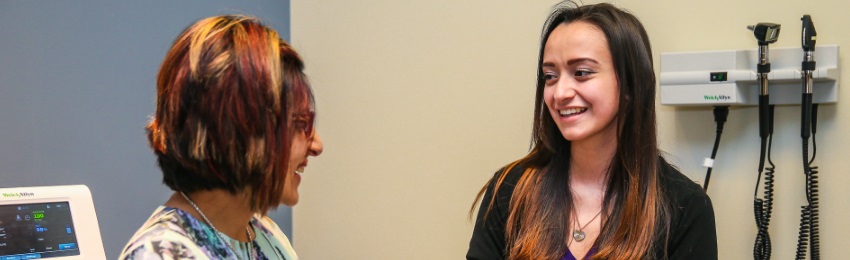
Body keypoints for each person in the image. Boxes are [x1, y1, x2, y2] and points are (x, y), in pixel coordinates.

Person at [467, 2, 716, 259]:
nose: (560, 93)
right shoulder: (510, 190)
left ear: (630, 85)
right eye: (550, 76)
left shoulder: (685, 207)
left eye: (582, 73)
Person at [119, 15, 323, 259]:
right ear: (239, 129)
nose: (317, 145)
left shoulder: (264, 235)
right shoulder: (162, 254)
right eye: (300, 124)